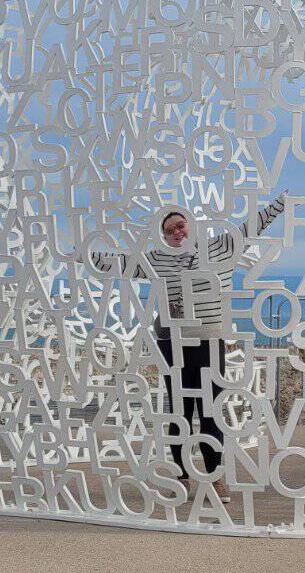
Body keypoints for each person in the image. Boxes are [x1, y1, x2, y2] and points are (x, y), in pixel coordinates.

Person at [93, 194, 285, 495]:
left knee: (211, 410)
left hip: (209, 341)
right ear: (162, 236)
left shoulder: (218, 248)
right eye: (169, 231)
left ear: (190, 226)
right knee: (179, 411)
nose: (176, 233)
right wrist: (79, 255)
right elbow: (122, 264)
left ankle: (214, 477)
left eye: (180, 226)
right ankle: (181, 476)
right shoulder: (156, 260)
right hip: (172, 343)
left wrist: (281, 203)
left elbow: (251, 227)